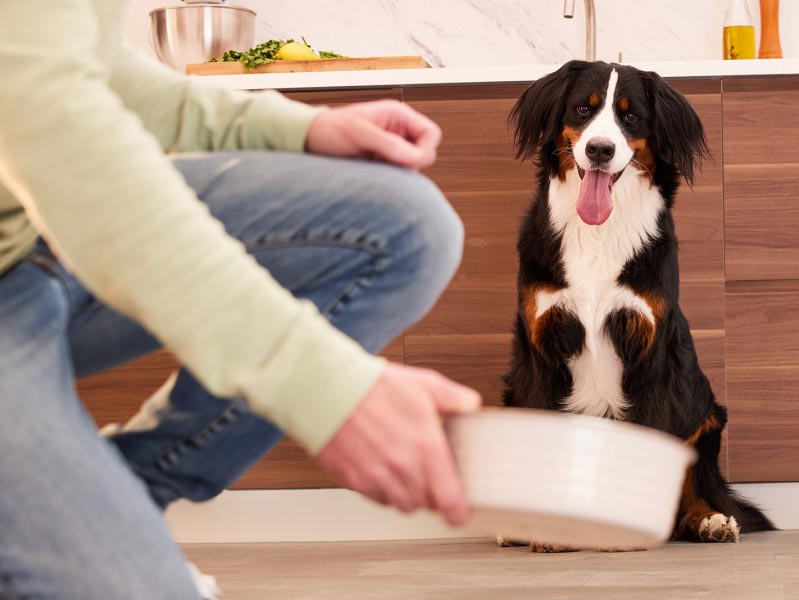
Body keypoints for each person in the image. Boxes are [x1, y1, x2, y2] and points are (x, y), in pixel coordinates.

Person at [0, 1, 482, 597]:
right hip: (39, 233)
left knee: (406, 228)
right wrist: (321, 385)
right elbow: (50, 125)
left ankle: (119, 491)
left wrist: (296, 128)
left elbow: (86, 65)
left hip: (29, 242)